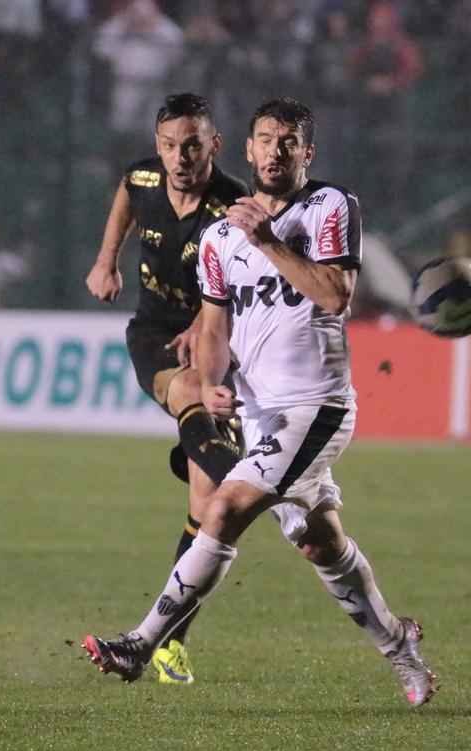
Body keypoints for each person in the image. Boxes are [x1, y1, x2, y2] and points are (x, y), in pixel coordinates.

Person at [83, 97, 438, 707]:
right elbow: (214, 327)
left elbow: (335, 294)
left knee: (222, 508)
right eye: (267, 140)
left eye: (288, 142)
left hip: (316, 405)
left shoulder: (331, 207)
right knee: (320, 542)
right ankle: (398, 643)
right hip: (256, 412)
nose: (276, 151)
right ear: (248, 149)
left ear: (307, 153)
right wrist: (210, 382)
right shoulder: (221, 236)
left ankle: (141, 644)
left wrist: (268, 240)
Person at [84, 92, 249, 684]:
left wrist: (204, 324)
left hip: (215, 338)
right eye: (170, 146)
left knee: (210, 508)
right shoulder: (145, 177)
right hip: (155, 336)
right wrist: (107, 259)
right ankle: (237, 467)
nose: (180, 157)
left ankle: (168, 642)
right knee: (190, 393)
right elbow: (127, 194)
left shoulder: (234, 205)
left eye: (193, 146)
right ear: (158, 146)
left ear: (215, 145)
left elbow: (241, 284)